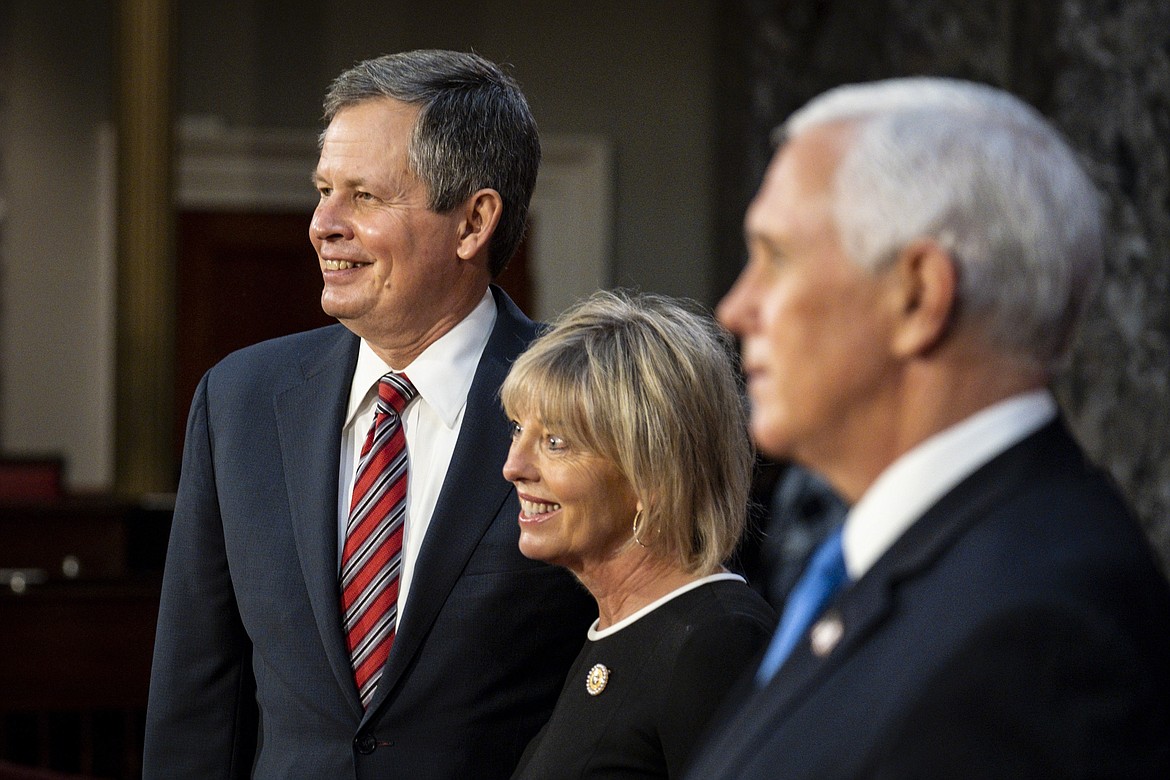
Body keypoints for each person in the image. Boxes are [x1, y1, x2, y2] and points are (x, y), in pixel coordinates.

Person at [685, 77, 1170, 778]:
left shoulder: (1036, 637)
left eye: (775, 258)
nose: (735, 308)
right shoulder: (923, 558)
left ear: (918, 296)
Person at [143, 50, 595, 778]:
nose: (323, 224)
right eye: (323, 190)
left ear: (473, 222)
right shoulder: (240, 401)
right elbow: (197, 699)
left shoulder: (588, 402)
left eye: (364, 196)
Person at [501, 290, 776, 779]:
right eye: (516, 430)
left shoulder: (714, 640)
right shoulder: (617, 630)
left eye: (555, 442)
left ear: (651, 473)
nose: (513, 467)